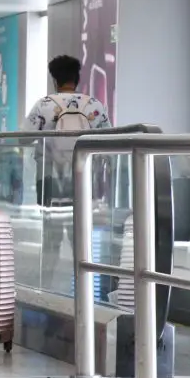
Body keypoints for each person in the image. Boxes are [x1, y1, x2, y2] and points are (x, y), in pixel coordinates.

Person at [24, 55, 113, 289]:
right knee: (80, 237)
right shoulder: (93, 104)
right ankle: (84, 290)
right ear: (77, 79)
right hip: (82, 179)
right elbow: (110, 140)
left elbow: (25, 137)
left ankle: (46, 287)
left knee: (50, 237)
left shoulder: (44, 105)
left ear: (55, 80)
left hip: (49, 177)